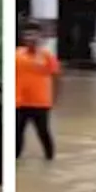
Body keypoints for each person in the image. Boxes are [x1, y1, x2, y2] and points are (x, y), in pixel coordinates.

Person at [16, 21, 60, 160]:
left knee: (43, 133)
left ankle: (50, 159)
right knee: (16, 134)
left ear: (40, 36)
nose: (30, 37)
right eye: (27, 34)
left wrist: (55, 99)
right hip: (19, 103)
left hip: (40, 103)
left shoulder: (47, 56)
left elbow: (56, 78)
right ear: (23, 37)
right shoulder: (16, 54)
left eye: (33, 34)